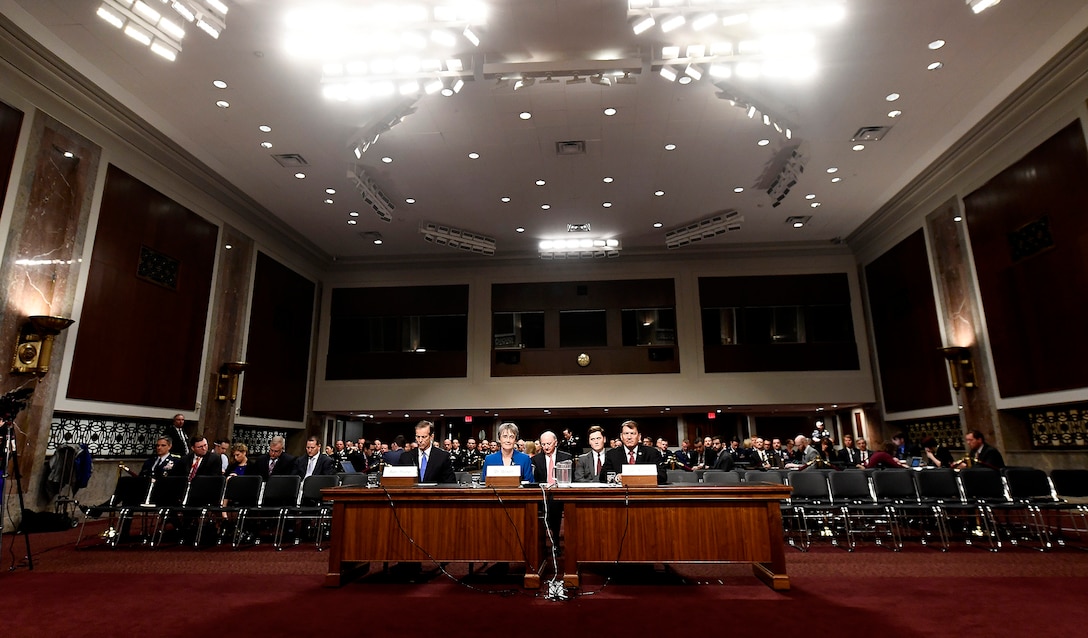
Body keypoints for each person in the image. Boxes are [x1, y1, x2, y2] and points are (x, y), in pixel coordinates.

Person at [600, 420, 666, 484]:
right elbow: (603, 476)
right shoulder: (612, 454)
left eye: (632, 433)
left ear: (639, 436)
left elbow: (662, 476)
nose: (629, 437)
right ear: (621, 436)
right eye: (626, 433)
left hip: (644, 492)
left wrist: (638, 478)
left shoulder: (652, 453)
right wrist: (616, 478)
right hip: (621, 493)